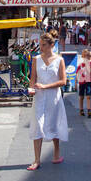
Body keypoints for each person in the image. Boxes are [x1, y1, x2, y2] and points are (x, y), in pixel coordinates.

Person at [28, 33, 68, 170]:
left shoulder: (59, 60)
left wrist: (45, 86)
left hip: (53, 97)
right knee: (37, 124)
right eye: (40, 45)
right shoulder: (36, 59)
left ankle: (56, 153)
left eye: (44, 45)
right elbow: (32, 78)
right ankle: (36, 160)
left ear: (52, 45)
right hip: (39, 96)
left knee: (53, 123)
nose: (41, 48)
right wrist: (31, 88)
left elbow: (63, 81)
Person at [76, 47, 91, 117]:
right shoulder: (80, 64)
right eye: (85, 56)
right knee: (81, 96)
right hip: (81, 82)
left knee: (88, 96)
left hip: (88, 82)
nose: (87, 58)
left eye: (88, 56)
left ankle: (89, 110)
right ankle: (81, 109)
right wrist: (75, 83)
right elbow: (77, 74)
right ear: (83, 56)